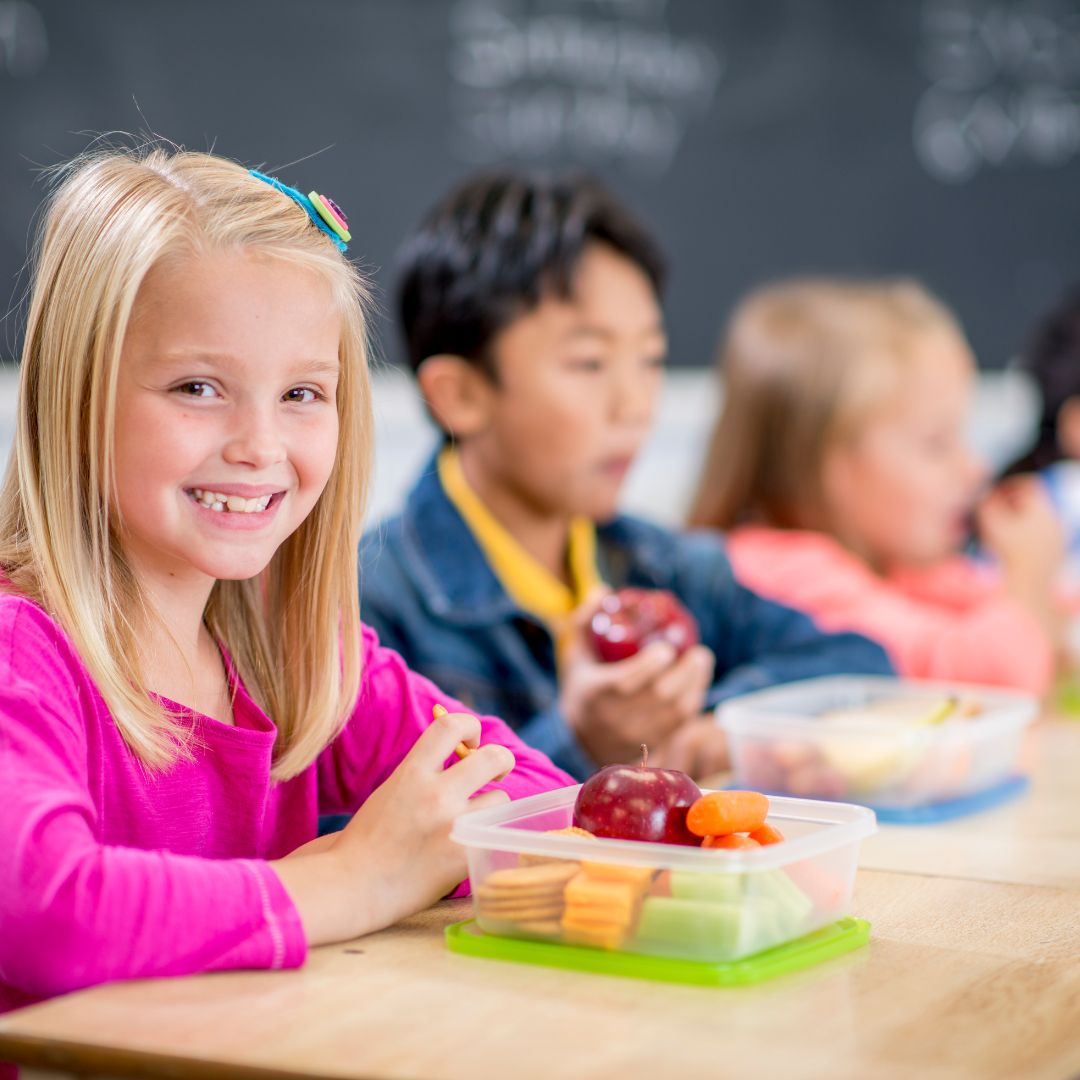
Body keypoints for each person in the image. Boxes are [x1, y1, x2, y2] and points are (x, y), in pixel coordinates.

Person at [0, 146, 572, 1023]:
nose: (261, 446)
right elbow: (47, 914)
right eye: (199, 387)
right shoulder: (20, 649)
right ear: (75, 400)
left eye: (303, 393)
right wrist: (352, 880)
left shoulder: (293, 649)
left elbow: (530, 799)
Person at [359, 173, 892, 783]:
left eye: (650, 361)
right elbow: (363, 833)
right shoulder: (369, 606)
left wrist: (716, 726)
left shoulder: (659, 564)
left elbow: (860, 664)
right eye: (589, 363)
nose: (635, 405)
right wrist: (579, 740)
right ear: (459, 395)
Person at [687, 278, 1063, 695]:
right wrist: (1027, 578)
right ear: (827, 466)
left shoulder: (891, 561)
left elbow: (996, 603)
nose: (975, 468)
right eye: (936, 443)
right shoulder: (775, 577)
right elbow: (980, 677)